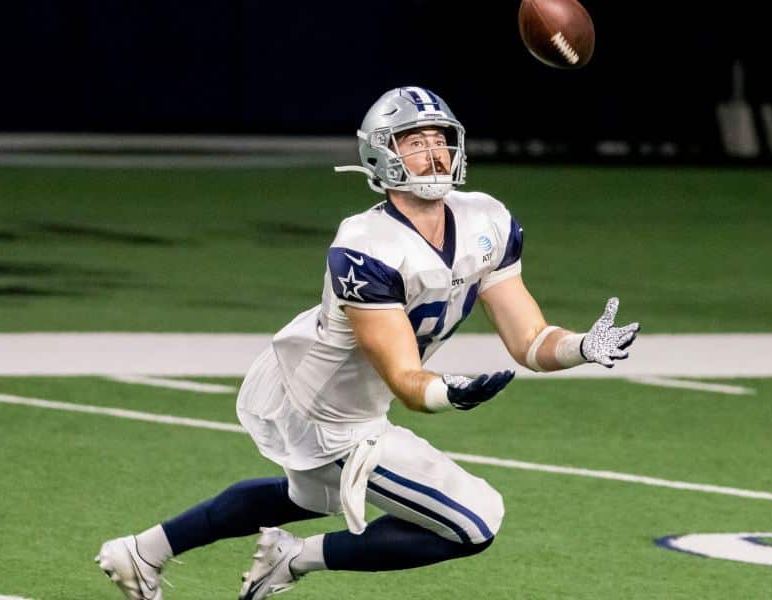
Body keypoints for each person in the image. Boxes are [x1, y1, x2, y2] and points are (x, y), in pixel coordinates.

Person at [95, 86, 640, 600]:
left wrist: (579, 347)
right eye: (415, 142)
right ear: (383, 155)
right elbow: (405, 378)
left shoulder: (487, 219)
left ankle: (143, 551)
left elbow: (530, 340)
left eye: (440, 140)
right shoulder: (365, 244)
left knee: (306, 498)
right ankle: (295, 558)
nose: (434, 154)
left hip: (353, 395)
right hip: (326, 407)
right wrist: (449, 393)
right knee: (475, 521)